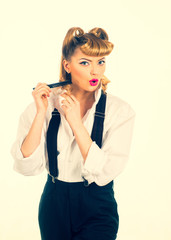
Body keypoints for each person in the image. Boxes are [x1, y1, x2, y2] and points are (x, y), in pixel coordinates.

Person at [11, 27, 136, 240]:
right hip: (53, 202)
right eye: (85, 63)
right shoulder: (44, 105)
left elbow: (106, 171)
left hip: (97, 204)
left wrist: (76, 123)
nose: (95, 71)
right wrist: (41, 113)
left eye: (101, 61)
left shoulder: (120, 111)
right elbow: (26, 166)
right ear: (67, 66)